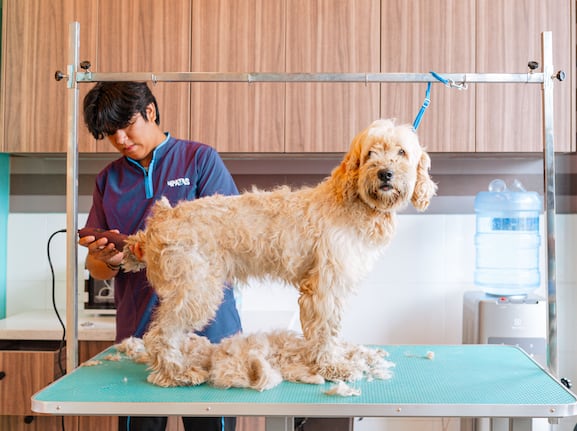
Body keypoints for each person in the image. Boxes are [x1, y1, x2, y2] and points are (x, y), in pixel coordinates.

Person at [79, 81, 241, 431]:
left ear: (149, 111)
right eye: (110, 133)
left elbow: (233, 236)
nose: (120, 139)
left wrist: (153, 247)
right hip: (140, 337)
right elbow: (97, 269)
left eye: (126, 126)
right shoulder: (108, 180)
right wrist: (108, 259)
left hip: (208, 333)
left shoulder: (199, 159)